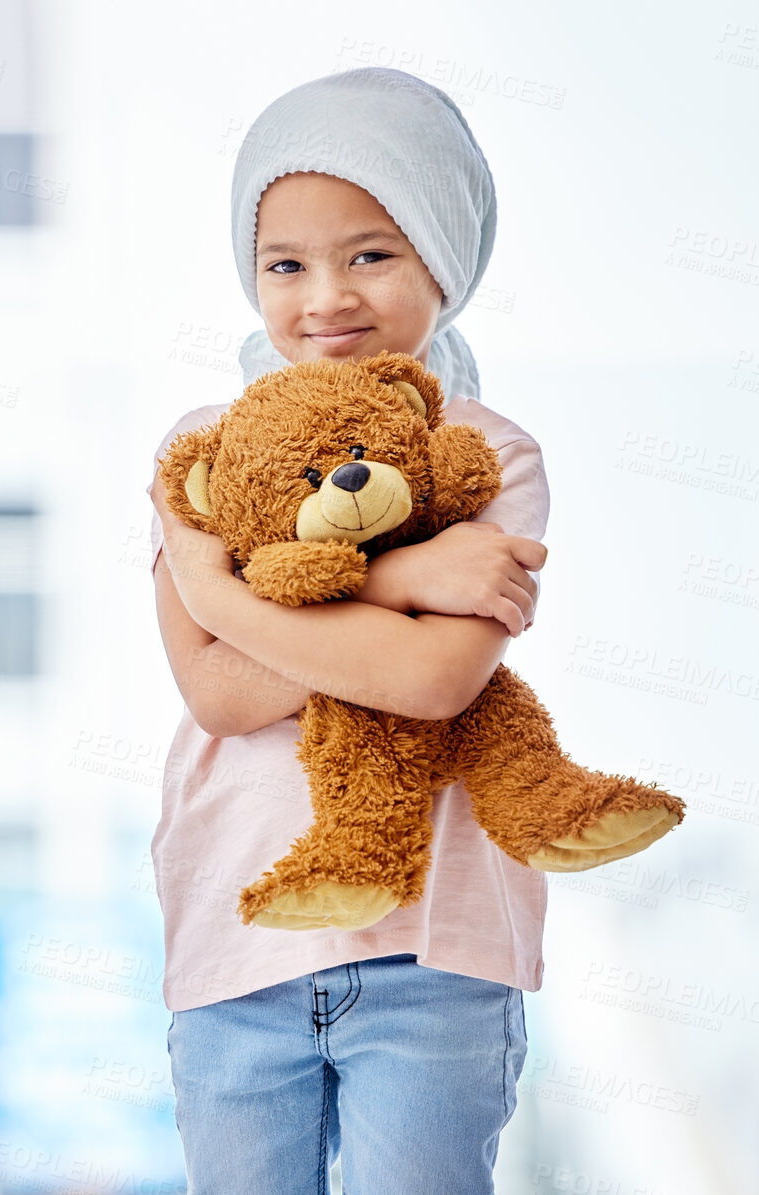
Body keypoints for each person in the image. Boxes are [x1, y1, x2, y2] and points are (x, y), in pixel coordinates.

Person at [144, 67, 551, 1192]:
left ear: (441, 255)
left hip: (438, 943)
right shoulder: (206, 447)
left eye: (369, 252)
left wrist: (232, 602)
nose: (323, 297)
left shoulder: (489, 454)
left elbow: (429, 682)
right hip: (236, 938)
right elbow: (218, 696)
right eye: (284, 264)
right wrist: (413, 567)